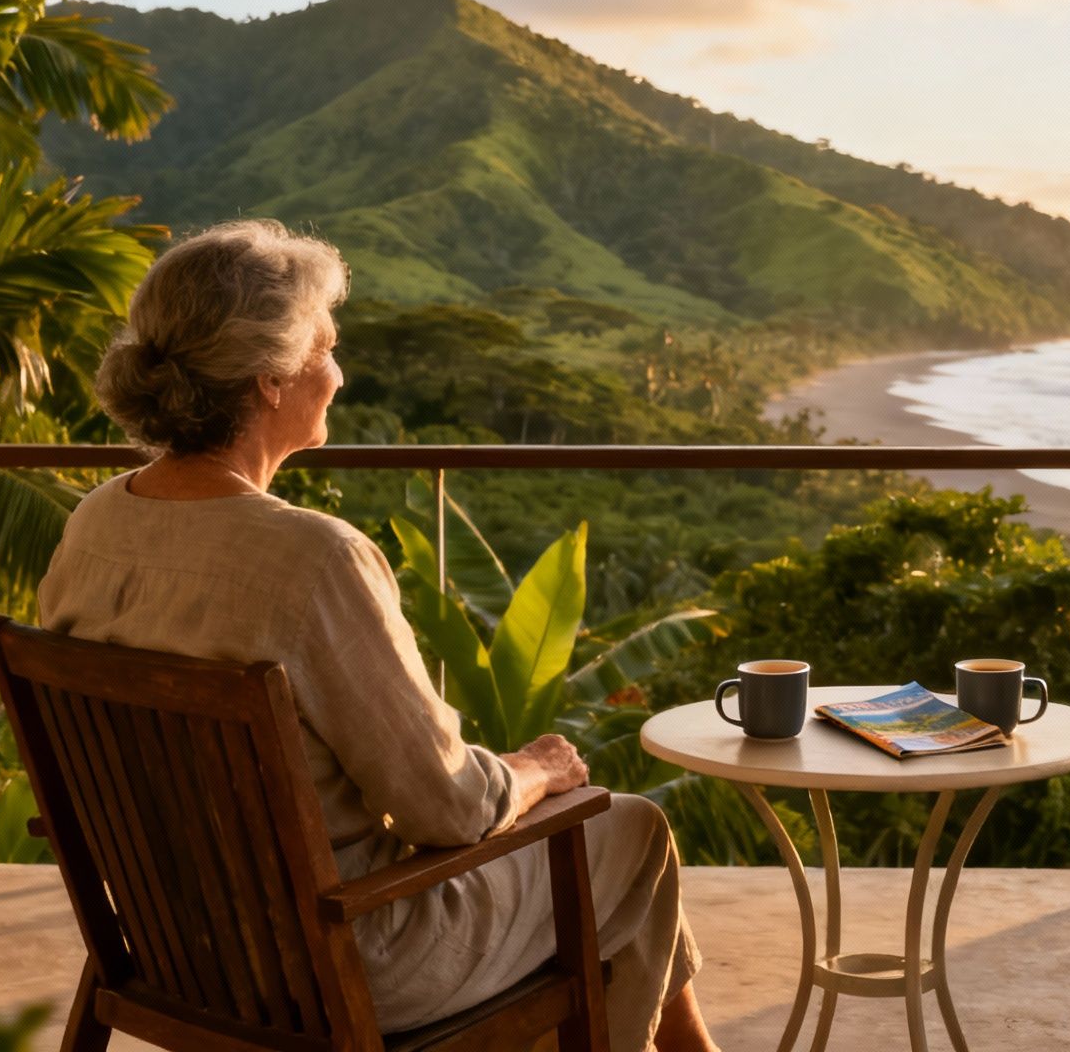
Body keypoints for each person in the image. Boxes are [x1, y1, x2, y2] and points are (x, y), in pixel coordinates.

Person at [38, 219, 720, 1052]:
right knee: (631, 829)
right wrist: (534, 769)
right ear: (270, 379)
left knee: (591, 867)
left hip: (177, 946)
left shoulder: (94, 523)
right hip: (340, 960)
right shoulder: (312, 559)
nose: (340, 373)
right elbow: (449, 809)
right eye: (326, 349)